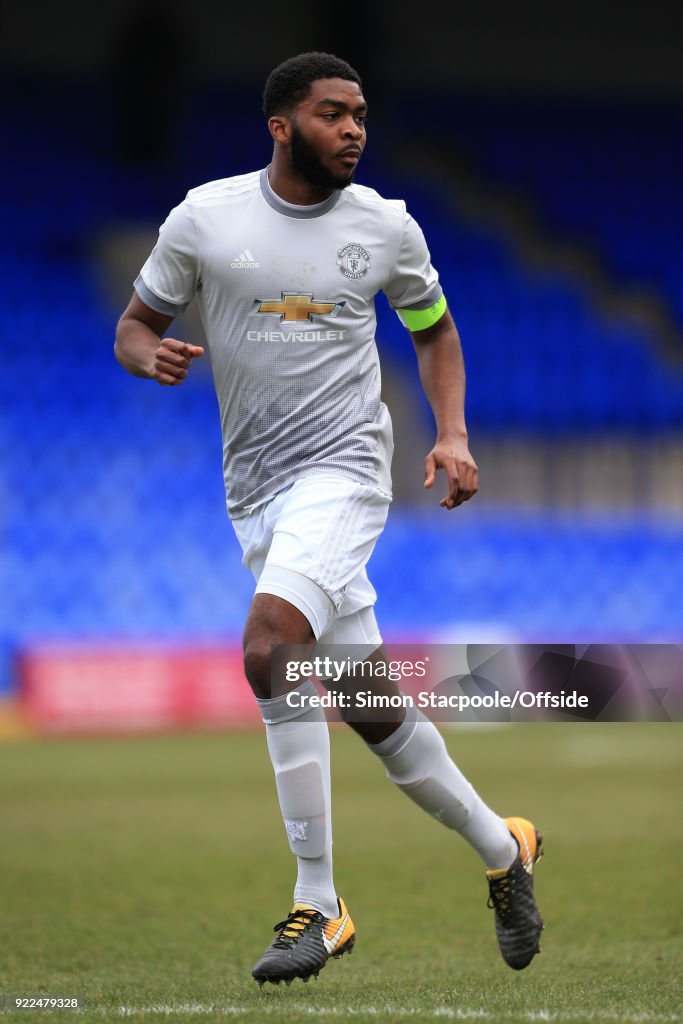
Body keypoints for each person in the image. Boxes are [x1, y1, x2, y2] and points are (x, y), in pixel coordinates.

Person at [114, 51, 544, 986]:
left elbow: (433, 329)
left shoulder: (385, 226)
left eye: (360, 114)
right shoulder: (205, 218)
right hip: (256, 492)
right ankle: (506, 851)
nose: (354, 128)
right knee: (370, 707)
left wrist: (453, 433)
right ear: (281, 125)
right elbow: (134, 322)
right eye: (332, 113)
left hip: (347, 471)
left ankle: (320, 901)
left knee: (270, 645)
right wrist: (146, 354)